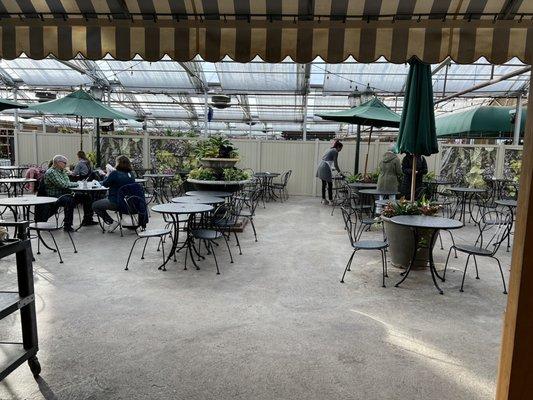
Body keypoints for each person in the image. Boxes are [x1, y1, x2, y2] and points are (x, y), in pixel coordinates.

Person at [44, 155, 97, 231]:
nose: (66, 165)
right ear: (58, 162)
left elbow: (67, 183)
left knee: (87, 197)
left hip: (66, 193)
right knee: (69, 201)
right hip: (56, 196)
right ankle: (67, 225)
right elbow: (64, 185)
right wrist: (78, 183)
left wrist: (77, 184)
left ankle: (87, 220)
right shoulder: (51, 172)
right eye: (65, 163)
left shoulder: (62, 171)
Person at [92, 155, 135, 231]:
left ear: (118, 163)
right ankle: (123, 221)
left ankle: (111, 222)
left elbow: (105, 184)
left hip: (116, 202)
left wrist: (108, 173)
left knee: (95, 205)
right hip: (130, 202)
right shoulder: (131, 174)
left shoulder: (115, 173)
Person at [316, 140, 343, 205]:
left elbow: (327, 160)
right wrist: (340, 173)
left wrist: (332, 168)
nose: (340, 150)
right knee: (330, 184)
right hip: (325, 167)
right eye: (341, 148)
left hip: (320, 166)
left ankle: (324, 199)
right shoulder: (335, 151)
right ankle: (331, 200)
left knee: (324, 184)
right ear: (338, 147)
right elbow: (336, 164)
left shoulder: (329, 149)